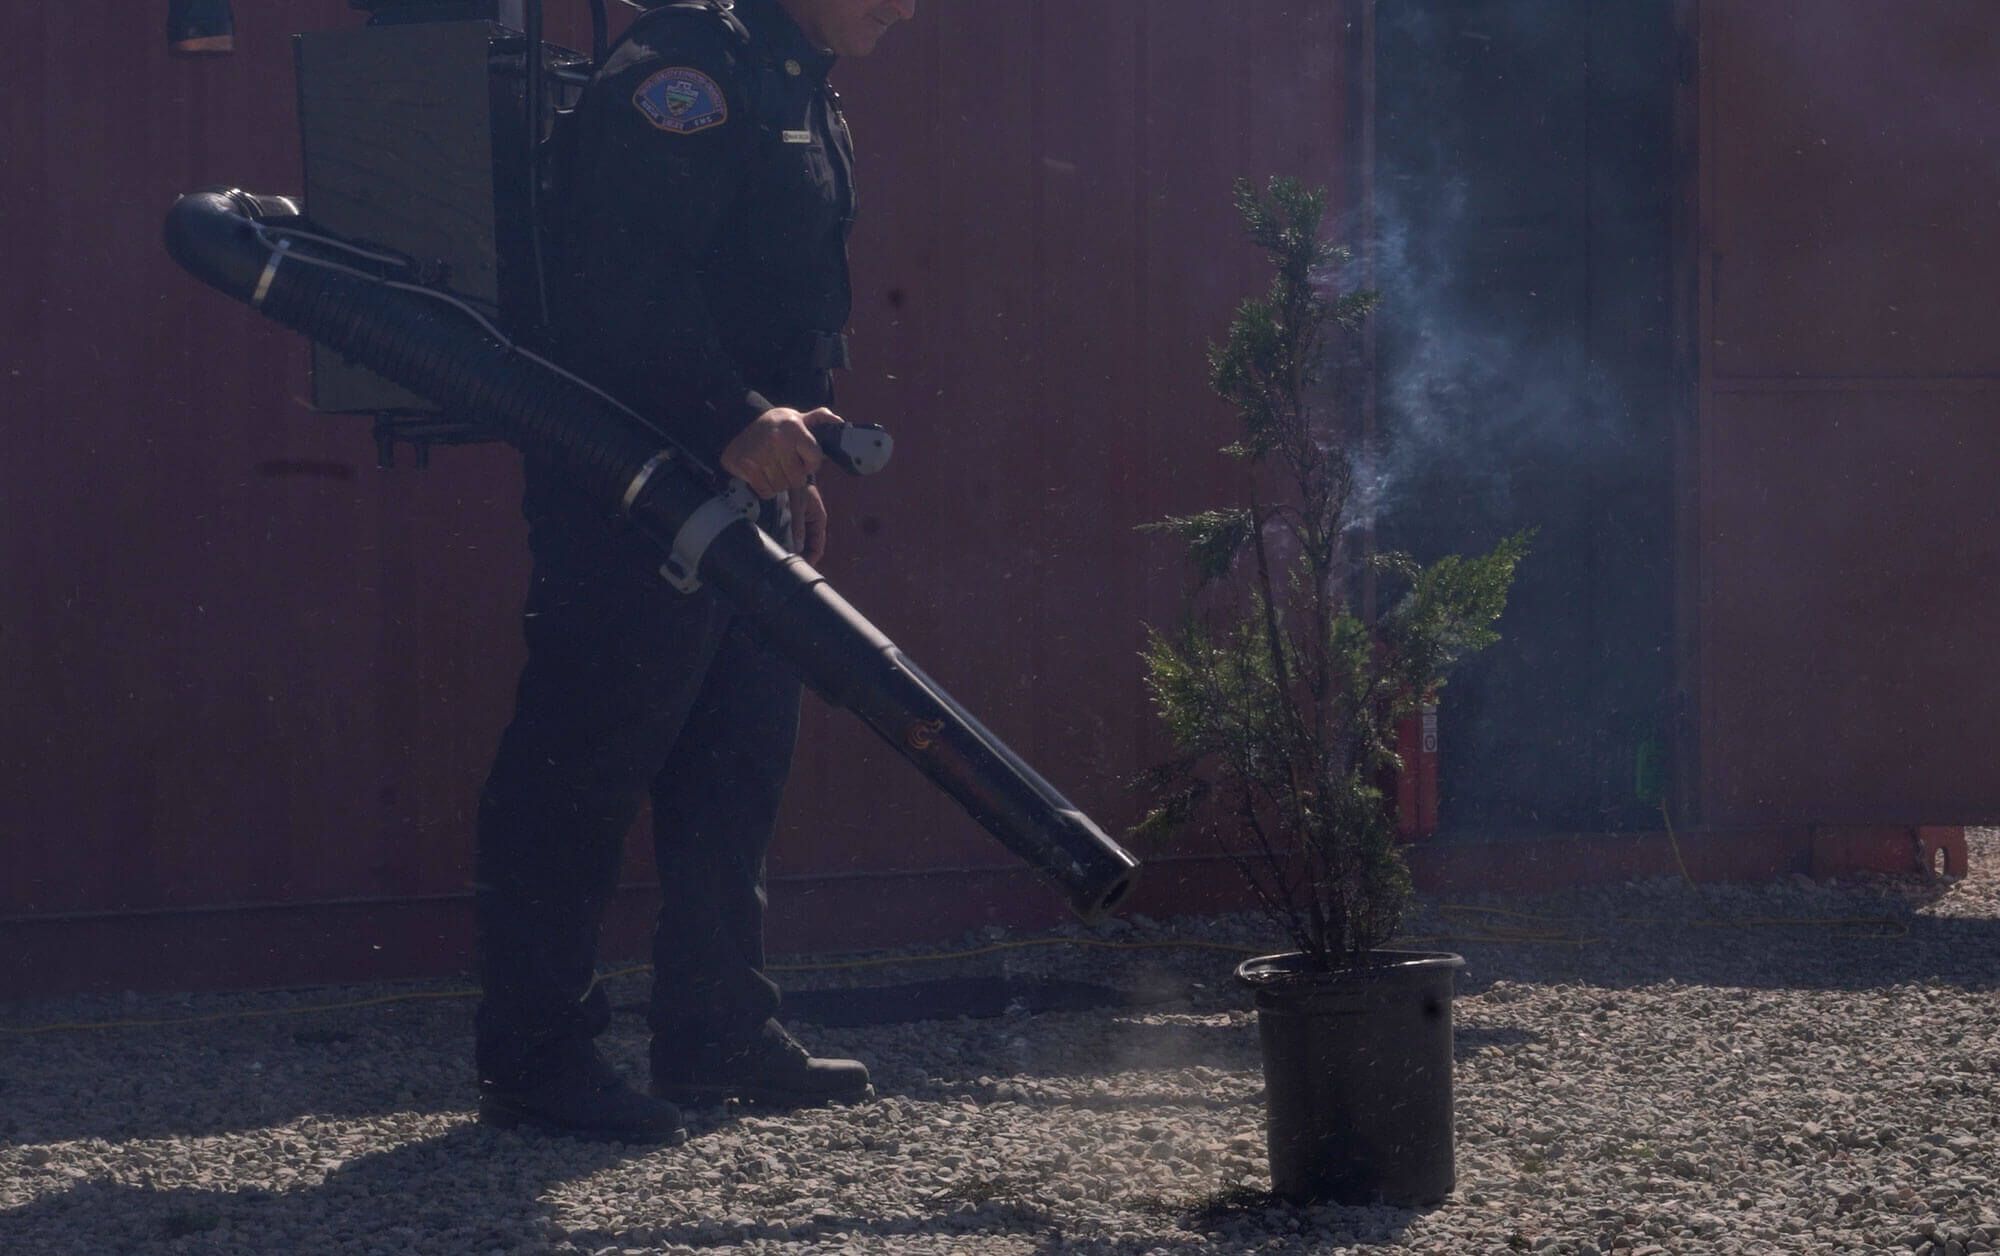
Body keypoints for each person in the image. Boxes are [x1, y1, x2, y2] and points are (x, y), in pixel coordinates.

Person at [473, 0, 918, 1143]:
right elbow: (622, 287)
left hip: (737, 490)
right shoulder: (684, 79)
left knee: (734, 763)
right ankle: (535, 1055)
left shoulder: (793, 80)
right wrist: (731, 417)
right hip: (627, 485)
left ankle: (715, 1026)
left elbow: (775, 299)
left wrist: (785, 449)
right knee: (580, 767)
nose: (906, 4)